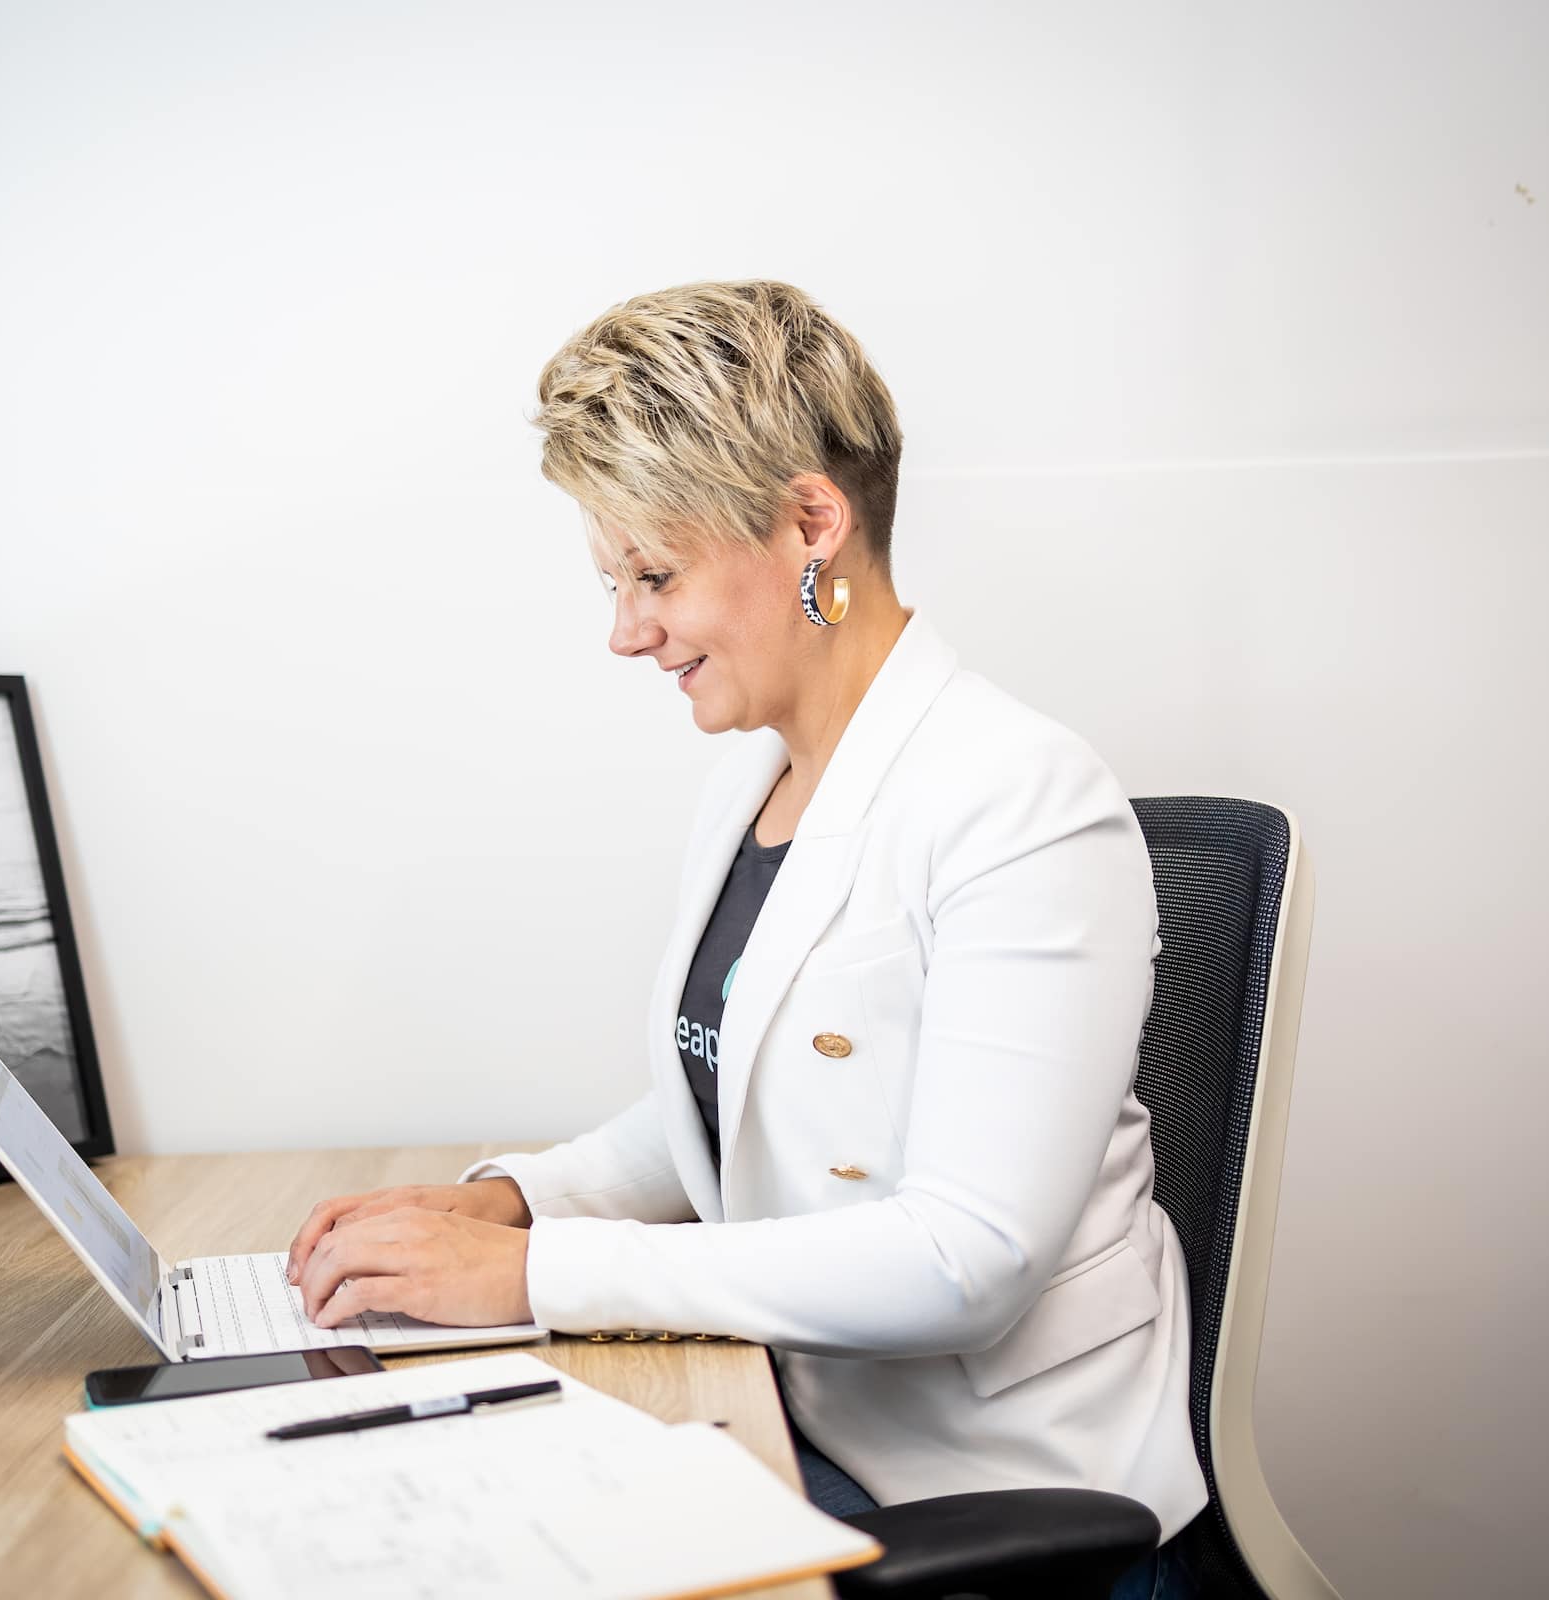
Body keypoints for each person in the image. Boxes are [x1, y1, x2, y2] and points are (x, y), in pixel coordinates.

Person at [284, 282, 1203, 1596]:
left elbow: (967, 1260)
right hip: (794, 1419)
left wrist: (534, 1273)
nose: (626, 632)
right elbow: (731, 1100)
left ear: (812, 523)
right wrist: (513, 1198)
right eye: (613, 582)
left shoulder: (1024, 801)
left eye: (653, 575)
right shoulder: (756, 779)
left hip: (992, 1498)